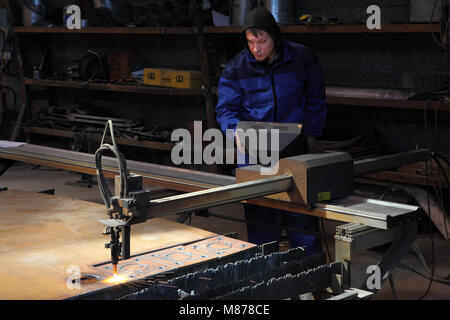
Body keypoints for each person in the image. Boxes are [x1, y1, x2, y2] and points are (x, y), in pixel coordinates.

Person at [215, 7, 327, 255]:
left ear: (275, 37)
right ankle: (266, 279)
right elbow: (225, 110)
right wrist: (235, 133)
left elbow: (316, 99)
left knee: (302, 219)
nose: (256, 48)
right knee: (261, 221)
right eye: (251, 41)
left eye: (262, 41)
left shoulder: (302, 58)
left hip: (294, 151)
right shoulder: (236, 68)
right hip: (254, 153)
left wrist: (311, 135)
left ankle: (308, 276)